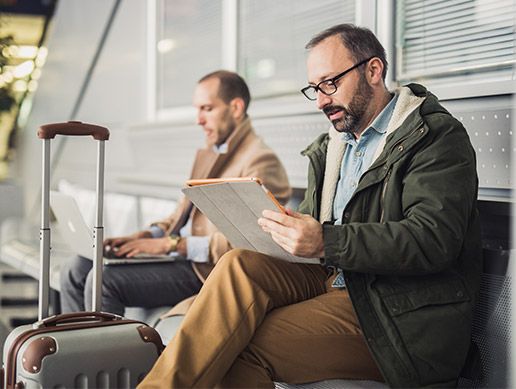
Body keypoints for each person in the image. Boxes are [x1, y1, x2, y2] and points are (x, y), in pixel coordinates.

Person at [138, 24, 483, 388]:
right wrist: (289, 230)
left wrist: (325, 241)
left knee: (239, 344)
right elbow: (317, 231)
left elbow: (432, 240)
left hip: (397, 317)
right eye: (314, 89)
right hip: (335, 282)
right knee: (239, 263)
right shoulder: (333, 146)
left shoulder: (435, 138)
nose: (320, 100)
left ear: (374, 71)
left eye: (329, 83)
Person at [60, 70, 291, 316]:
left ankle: (103, 354)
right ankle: (74, 348)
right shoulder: (213, 151)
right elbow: (181, 214)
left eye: (207, 109)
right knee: (76, 269)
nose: (198, 120)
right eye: (197, 109)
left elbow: (252, 242)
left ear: (235, 108)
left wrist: (170, 245)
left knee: (103, 280)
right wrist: (149, 234)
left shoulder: (260, 161)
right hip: (181, 257)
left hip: (206, 269)